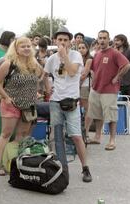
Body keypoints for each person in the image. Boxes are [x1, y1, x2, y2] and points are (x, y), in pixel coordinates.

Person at [44, 27, 92, 182]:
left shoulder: (76, 55)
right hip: (55, 102)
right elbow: (45, 75)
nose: (63, 42)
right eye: (60, 40)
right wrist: (47, 88)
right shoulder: (51, 59)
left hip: (71, 102)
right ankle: (62, 169)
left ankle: (85, 168)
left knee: (76, 136)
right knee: (57, 136)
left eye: (65, 40)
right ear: (55, 41)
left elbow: (72, 72)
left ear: (70, 42)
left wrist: (64, 56)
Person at [0, 36, 41, 175]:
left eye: (28, 46)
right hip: (11, 104)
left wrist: (36, 92)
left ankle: (15, 162)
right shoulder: (9, 64)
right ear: (16, 49)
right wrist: (6, 97)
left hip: (28, 105)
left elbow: (37, 79)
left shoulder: (33, 64)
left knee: (22, 134)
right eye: (23, 46)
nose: (26, 48)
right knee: (6, 134)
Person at [84, 30, 130, 150]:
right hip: (96, 89)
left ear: (108, 39)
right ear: (97, 39)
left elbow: (127, 65)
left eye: (105, 38)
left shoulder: (114, 53)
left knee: (111, 116)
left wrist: (117, 77)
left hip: (109, 90)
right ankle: (98, 137)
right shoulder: (97, 53)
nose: (102, 40)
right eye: (100, 38)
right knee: (97, 115)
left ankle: (112, 140)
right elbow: (94, 69)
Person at [78, 41, 93, 131]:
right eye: (79, 48)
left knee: (87, 108)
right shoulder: (77, 58)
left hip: (85, 85)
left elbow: (84, 74)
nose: (81, 50)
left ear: (87, 49)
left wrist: (77, 85)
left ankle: (86, 130)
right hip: (78, 85)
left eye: (83, 48)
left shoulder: (89, 59)